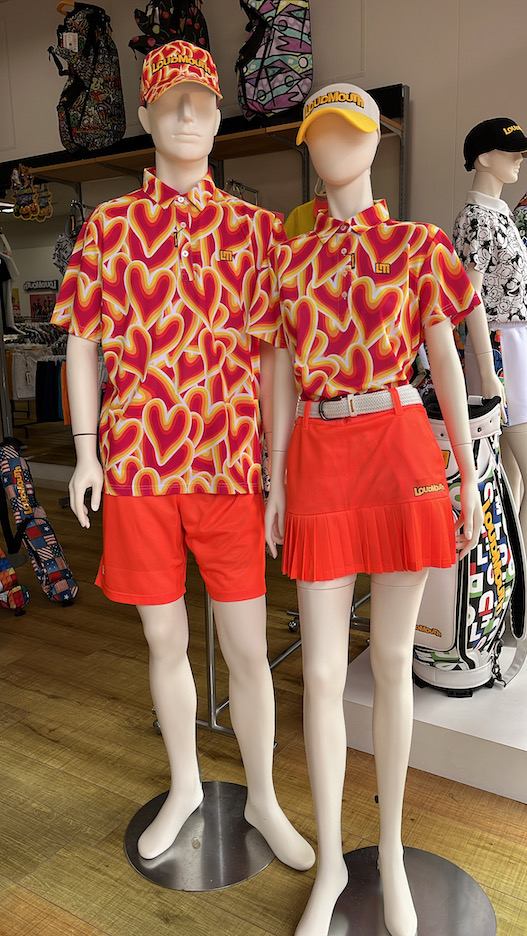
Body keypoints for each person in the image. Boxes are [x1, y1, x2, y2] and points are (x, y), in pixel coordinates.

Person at [51, 39, 314, 872]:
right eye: (172, 101)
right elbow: (82, 343)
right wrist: (85, 453)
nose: (189, 113)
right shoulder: (109, 227)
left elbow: (274, 358)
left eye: (202, 99)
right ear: (145, 114)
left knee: (246, 649)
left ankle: (265, 795)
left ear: (220, 114)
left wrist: (277, 464)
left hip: (229, 468)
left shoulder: (256, 232)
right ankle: (187, 784)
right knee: (163, 644)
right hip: (136, 467)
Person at [261, 84, 484, 936]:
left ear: (375, 140)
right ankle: (329, 865)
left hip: (398, 445)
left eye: (348, 131)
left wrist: (467, 474)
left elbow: (446, 363)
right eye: (318, 134)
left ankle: (387, 854)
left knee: (391, 661)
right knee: (320, 673)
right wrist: (275, 477)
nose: (333, 145)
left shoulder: (418, 246)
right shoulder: (288, 261)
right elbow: (279, 374)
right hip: (319, 455)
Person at [453, 118, 527, 545]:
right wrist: (487, 369)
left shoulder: (501, 214)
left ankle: (512, 576)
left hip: (515, 345)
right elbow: (470, 299)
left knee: (512, 480)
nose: (519, 159)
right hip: (499, 349)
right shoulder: (477, 219)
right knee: (509, 475)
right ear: (483, 157)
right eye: (511, 152)